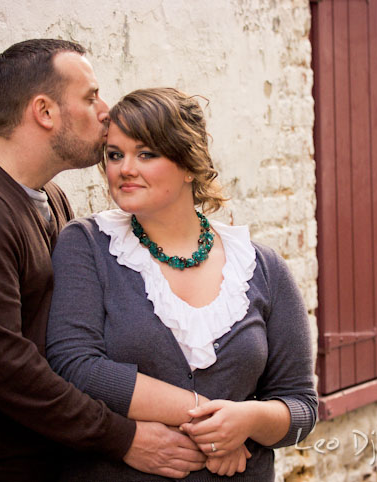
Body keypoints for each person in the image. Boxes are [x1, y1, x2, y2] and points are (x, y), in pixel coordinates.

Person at [0, 41, 206, 481]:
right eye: (89, 97)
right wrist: (123, 437)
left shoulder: (48, 197)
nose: (105, 111)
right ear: (44, 111)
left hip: (40, 457)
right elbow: (5, 368)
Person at [47, 87, 318, 481]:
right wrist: (208, 418)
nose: (125, 169)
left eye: (146, 154)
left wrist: (246, 419)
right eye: (115, 154)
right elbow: (75, 367)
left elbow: (302, 407)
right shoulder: (87, 245)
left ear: (189, 163)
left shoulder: (261, 267)